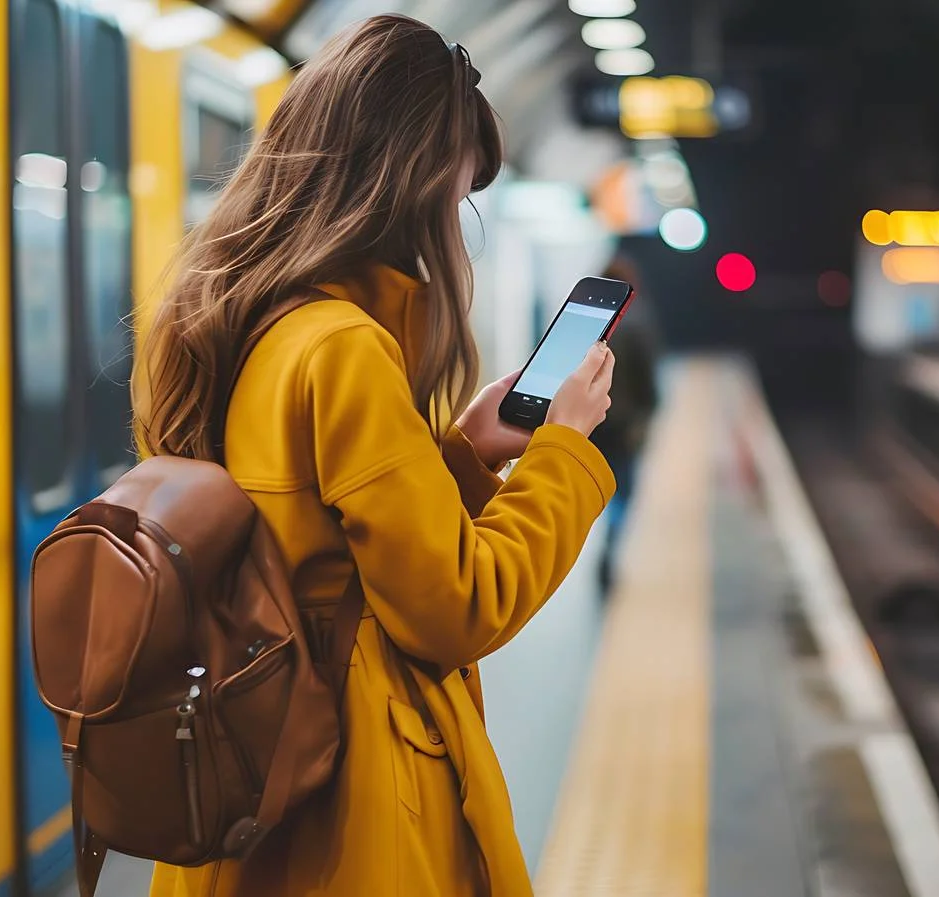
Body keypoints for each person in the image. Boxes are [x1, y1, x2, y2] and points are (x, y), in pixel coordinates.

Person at [134, 17, 616, 897]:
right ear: (412, 187)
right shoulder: (343, 347)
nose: (457, 220)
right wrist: (564, 451)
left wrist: (466, 451)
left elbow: (320, 536)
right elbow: (457, 607)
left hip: (254, 769)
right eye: (459, 194)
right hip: (348, 812)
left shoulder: (233, 319)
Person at [589, 258, 661, 593]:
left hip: (589, 422)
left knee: (588, 486)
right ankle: (609, 547)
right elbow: (648, 380)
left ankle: (585, 544)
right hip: (624, 425)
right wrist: (649, 415)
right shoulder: (638, 321)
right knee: (621, 492)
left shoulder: (589, 323)